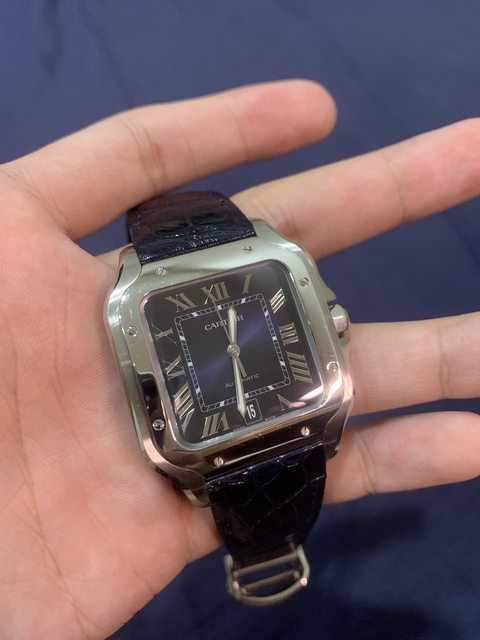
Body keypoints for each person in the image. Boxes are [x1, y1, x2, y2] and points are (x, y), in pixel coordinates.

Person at [1, 79, 479, 639]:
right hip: (235, 451)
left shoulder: (270, 266)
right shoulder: (137, 300)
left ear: (331, 322)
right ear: (337, 320)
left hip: (298, 425)